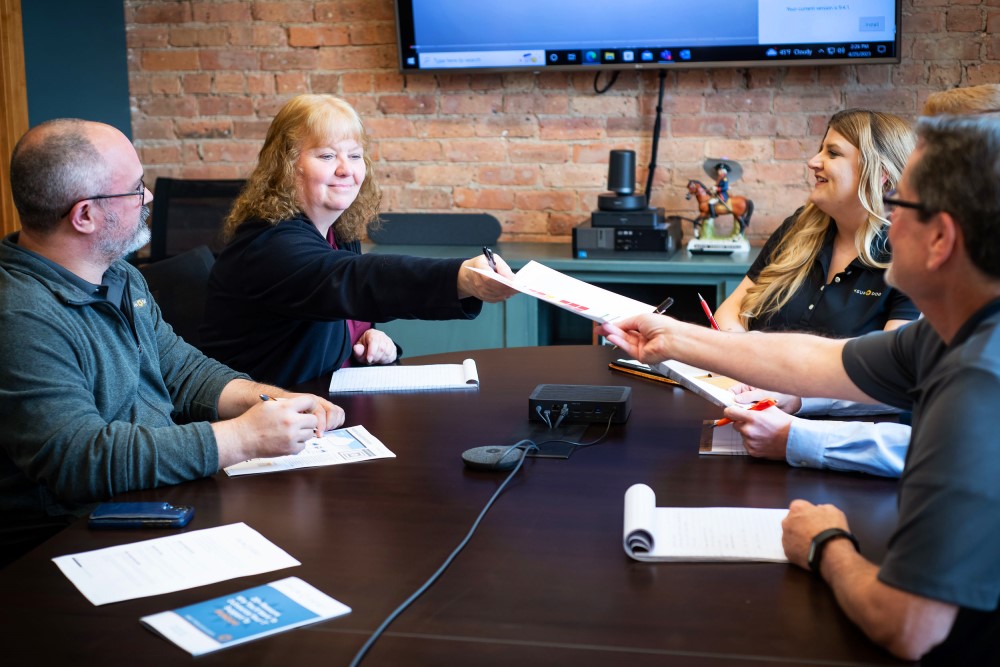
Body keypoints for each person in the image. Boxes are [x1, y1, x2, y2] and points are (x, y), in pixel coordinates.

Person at [600, 114, 1000, 662]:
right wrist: (671, 339)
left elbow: (907, 626)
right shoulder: (952, 333)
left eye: (899, 204)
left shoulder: (978, 384)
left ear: (941, 239)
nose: (888, 219)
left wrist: (824, 544)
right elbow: (820, 359)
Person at [0, 119, 345, 567]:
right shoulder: (21, 315)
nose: (147, 198)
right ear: (84, 215)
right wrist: (241, 438)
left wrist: (274, 400)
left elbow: (183, 372)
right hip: (70, 542)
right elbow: (78, 459)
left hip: (157, 502)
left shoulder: (119, 274)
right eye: (135, 189)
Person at [200, 94, 517, 387]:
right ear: (286, 165)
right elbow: (353, 279)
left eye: (354, 155)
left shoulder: (339, 232)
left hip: (329, 404)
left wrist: (375, 340)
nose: (345, 169)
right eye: (326, 156)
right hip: (270, 421)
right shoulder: (269, 243)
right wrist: (461, 278)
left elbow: (349, 307)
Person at [712, 109, 919, 477]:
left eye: (833, 153)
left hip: (849, 449)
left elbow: (891, 376)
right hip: (754, 417)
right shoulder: (799, 228)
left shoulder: (908, 255)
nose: (813, 162)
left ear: (880, 175)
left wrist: (796, 396)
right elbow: (732, 311)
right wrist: (741, 360)